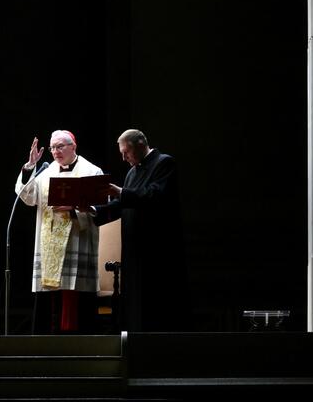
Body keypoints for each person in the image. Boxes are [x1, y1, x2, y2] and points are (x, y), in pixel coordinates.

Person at [93, 129, 186, 332]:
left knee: (155, 306)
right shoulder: (132, 172)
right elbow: (121, 205)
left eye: (127, 152)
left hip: (156, 249)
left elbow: (155, 195)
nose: (124, 158)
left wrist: (122, 192)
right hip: (133, 250)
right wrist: (92, 211)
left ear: (141, 144)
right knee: (135, 305)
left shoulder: (164, 163)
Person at [16, 130, 104, 334]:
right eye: (53, 147)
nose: (55, 151)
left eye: (60, 146)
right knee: (50, 300)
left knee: (76, 295)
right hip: (49, 247)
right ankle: (46, 345)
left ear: (73, 146)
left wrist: (73, 209)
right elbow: (27, 197)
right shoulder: (45, 172)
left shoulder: (92, 171)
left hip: (76, 240)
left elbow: (101, 209)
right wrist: (30, 166)